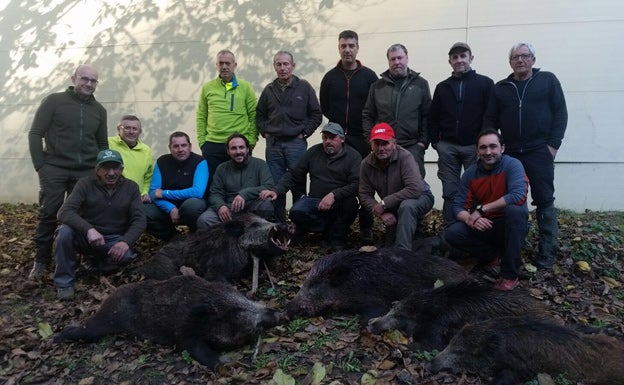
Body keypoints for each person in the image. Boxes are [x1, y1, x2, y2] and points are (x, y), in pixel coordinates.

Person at [483, 42, 568, 270]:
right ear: (510, 62)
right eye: (515, 57)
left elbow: (560, 113)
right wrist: (495, 147)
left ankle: (547, 252)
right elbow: (490, 119)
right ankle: (508, 249)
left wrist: (553, 146)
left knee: (544, 200)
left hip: (539, 151)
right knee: (509, 201)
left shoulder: (548, 80)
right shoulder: (501, 88)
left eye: (524, 56)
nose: (520, 60)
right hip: (510, 154)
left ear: (533, 59)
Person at [28, 64, 108, 280]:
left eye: (93, 81)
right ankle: (41, 260)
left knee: (83, 215)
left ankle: (84, 257)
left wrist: (100, 170)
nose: (89, 84)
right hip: (54, 168)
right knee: (48, 213)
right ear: (74, 79)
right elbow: (36, 133)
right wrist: (40, 165)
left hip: (86, 171)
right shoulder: (54, 101)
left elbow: (102, 143)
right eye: (85, 79)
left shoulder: (99, 110)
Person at [54, 149, 146, 299]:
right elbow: (64, 212)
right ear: (97, 170)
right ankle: (64, 283)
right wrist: (89, 229)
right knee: (64, 233)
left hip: (113, 239)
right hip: (86, 237)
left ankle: (94, 264)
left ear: (122, 169)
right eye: (106, 168)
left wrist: (125, 242)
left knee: (127, 256)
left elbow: (140, 219)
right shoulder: (84, 184)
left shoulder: (131, 187)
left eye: (115, 168)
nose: (111, 173)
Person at [444, 129, 529, 291]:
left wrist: (482, 210)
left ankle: (510, 275)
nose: (488, 152)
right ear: (477, 151)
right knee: (453, 232)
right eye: (483, 148)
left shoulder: (513, 165)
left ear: (502, 148)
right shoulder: (470, 174)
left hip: (510, 225)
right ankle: (491, 256)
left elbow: (518, 195)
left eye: (493, 146)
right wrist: (470, 219)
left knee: (516, 211)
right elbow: (457, 207)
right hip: (485, 225)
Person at [260, 123, 360, 251]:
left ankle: (337, 238)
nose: (328, 141)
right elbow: (293, 174)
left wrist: (334, 195)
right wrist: (276, 190)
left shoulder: (353, 156)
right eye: (325, 138)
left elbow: (356, 184)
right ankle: (325, 230)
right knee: (296, 211)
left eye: (332, 138)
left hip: (340, 201)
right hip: (315, 200)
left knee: (351, 204)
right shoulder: (314, 152)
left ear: (342, 139)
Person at [319, 29, 378, 243]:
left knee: (364, 182)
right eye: (343, 46)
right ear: (338, 48)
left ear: (358, 48)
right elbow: (324, 106)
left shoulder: (370, 76)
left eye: (351, 46)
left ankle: (366, 227)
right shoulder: (330, 77)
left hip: (361, 137)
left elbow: (375, 107)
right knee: (337, 180)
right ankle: (334, 227)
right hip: (337, 138)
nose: (347, 50)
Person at [429, 42, 494, 228]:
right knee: (450, 191)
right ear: (449, 61)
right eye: (455, 57)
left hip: (475, 147)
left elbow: (490, 115)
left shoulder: (485, 83)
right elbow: (433, 116)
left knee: (476, 189)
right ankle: (451, 231)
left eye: (463, 56)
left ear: (471, 58)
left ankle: (473, 228)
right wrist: (436, 142)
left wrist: (484, 143)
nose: (459, 60)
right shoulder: (442, 87)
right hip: (448, 147)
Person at [256, 50, 322, 222]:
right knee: (276, 187)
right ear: (274, 67)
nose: (283, 68)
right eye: (279, 64)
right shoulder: (269, 90)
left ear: (293, 66)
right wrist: (265, 132)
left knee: (298, 185)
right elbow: (259, 114)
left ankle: (300, 226)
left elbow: (316, 114)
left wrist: (304, 133)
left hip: (296, 144)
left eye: (286, 64)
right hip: (274, 145)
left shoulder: (304, 87)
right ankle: (279, 226)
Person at [359, 122, 435, 250]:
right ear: (371, 145)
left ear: (394, 143)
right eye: (377, 144)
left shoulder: (405, 157)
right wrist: (381, 213)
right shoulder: (366, 164)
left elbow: (414, 189)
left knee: (407, 206)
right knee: (389, 244)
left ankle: (401, 255)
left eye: (385, 143)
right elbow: (364, 194)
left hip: (421, 197)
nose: (381, 148)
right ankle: (415, 242)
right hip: (392, 205)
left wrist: (384, 203)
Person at [362, 43, 431, 178]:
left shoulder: (420, 84)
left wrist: (422, 143)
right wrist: (371, 141)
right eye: (393, 59)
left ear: (407, 58)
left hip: (412, 146)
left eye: (400, 58)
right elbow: (368, 114)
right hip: (385, 147)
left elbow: (427, 115)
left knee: (415, 187)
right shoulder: (377, 86)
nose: (397, 62)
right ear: (388, 61)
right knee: (388, 188)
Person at [196, 49, 258, 185]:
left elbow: (254, 116)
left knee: (241, 184)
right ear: (216, 65)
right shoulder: (208, 88)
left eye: (227, 63)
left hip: (239, 146)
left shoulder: (245, 87)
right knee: (213, 184)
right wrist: (202, 142)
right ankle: (217, 207)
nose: (224, 66)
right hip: (212, 145)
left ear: (234, 65)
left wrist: (251, 142)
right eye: (221, 63)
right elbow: (201, 116)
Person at [197, 133, 275, 228]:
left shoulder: (260, 164)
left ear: (247, 149)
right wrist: (220, 206)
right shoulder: (221, 168)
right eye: (233, 148)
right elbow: (215, 193)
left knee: (266, 204)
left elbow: (268, 186)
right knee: (204, 220)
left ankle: (258, 238)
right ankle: (226, 240)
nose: (238, 151)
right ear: (228, 151)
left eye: (241, 147)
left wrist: (244, 194)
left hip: (252, 206)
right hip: (229, 208)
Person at [144, 132, 208, 240]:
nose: (180, 149)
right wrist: (171, 208)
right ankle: (172, 238)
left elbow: (197, 192)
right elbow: (153, 193)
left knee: (192, 206)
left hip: (190, 203)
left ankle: (194, 237)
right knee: (144, 211)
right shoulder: (162, 161)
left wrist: (165, 193)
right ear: (170, 148)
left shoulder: (200, 162)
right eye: (176, 146)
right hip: (166, 206)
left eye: (184, 145)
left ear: (190, 146)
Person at [108, 115, 153, 203]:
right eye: (127, 128)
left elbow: (148, 177)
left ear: (140, 132)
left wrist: (144, 192)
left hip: (136, 200)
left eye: (135, 129)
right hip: (110, 198)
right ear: (118, 129)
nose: (131, 132)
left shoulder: (146, 150)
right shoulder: (108, 143)